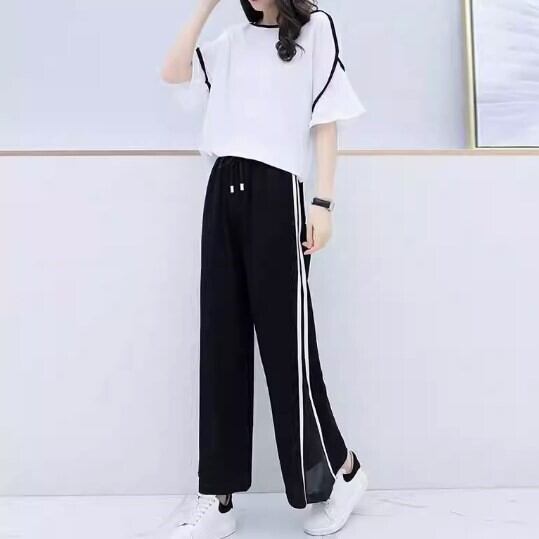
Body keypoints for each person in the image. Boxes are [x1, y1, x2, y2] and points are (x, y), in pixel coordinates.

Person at [161, 0, 368, 537]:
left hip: (278, 196)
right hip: (221, 193)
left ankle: (342, 473)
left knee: (287, 350)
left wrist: (323, 203)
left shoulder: (316, 29)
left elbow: (326, 120)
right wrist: (204, 7)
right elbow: (173, 72)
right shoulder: (231, 42)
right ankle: (218, 497)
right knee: (221, 343)